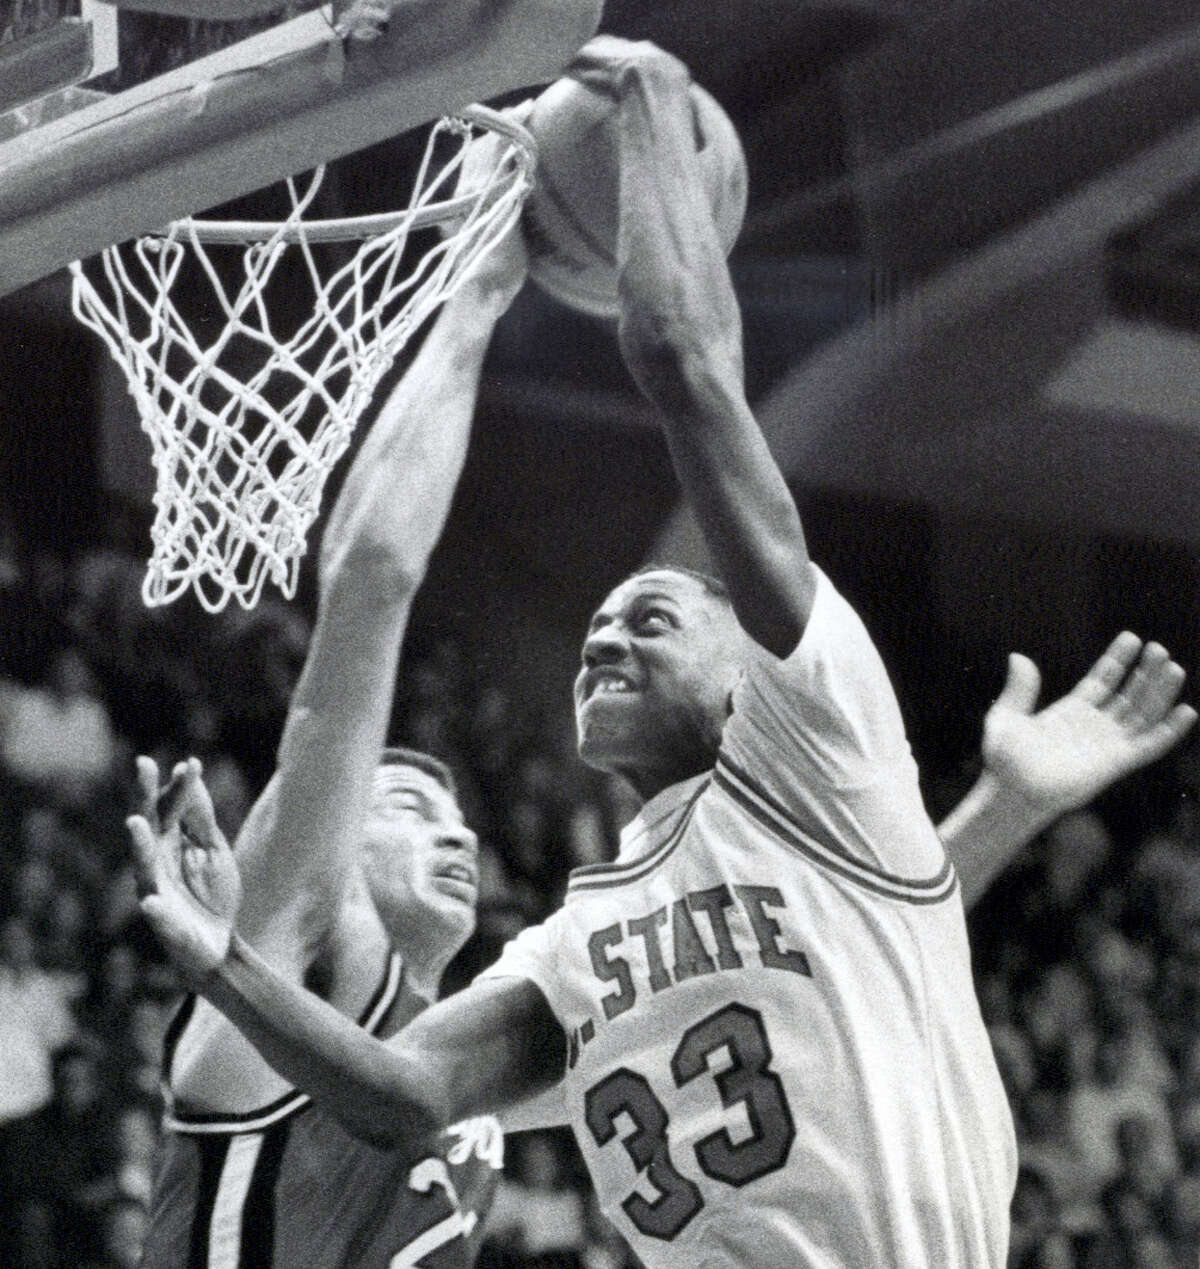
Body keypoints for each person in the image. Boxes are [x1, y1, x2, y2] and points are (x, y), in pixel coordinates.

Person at [126, 38, 1197, 1269]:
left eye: (652, 615)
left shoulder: (810, 745)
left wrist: (1004, 808)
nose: (605, 635)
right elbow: (410, 1087)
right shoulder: (560, 947)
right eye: (595, 626)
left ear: (755, 678)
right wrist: (224, 968)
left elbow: (690, 369)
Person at [133, 156, 529, 1269]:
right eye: (405, 802)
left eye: (455, 814)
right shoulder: (313, 955)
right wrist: (477, 295)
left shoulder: (462, 1058)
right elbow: (369, 584)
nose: (456, 831)